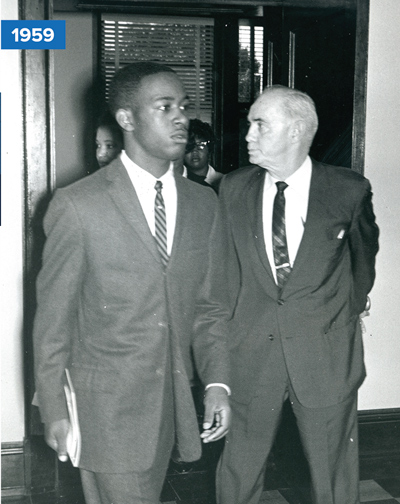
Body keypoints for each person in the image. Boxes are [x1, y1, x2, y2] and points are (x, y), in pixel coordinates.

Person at [33, 62, 231, 504]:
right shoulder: (78, 205)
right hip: (105, 410)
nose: (181, 118)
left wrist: (218, 383)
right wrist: (53, 409)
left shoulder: (204, 204)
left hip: (173, 406)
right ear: (126, 118)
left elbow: (210, 308)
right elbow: (53, 321)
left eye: (183, 106)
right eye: (165, 107)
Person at [216, 85, 379, 504]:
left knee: (333, 476)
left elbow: (363, 263)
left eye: (260, 124)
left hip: (325, 356)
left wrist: (336, 318)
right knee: (239, 469)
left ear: (295, 131)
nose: (248, 135)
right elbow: (225, 276)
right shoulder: (233, 188)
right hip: (251, 352)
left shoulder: (348, 189)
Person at [183, 119, 223, 191]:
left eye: (200, 145)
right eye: (189, 146)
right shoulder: (176, 181)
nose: (194, 151)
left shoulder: (223, 182)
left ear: (209, 148)